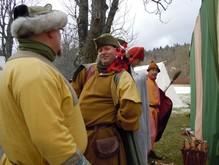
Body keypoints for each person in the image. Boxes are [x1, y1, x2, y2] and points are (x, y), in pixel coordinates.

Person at [0, 4, 89, 165]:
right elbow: (48, 135)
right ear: (50, 31)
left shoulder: (15, 64)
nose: (60, 37)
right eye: (59, 31)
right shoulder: (35, 71)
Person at [71, 33, 142, 165]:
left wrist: (117, 123)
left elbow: (131, 108)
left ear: (117, 50)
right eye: (100, 50)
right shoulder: (87, 71)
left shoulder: (121, 76)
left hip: (103, 139)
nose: (103, 52)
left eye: (107, 49)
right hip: (79, 136)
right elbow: (71, 95)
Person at [127, 47, 152, 165]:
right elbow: (131, 82)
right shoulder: (125, 70)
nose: (140, 62)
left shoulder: (131, 70)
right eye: (139, 59)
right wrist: (142, 78)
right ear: (133, 58)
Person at [147, 60, 164, 160]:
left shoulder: (154, 82)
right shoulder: (145, 81)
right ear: (148, 71)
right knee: (151, 133)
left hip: (155, 111)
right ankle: (146, 153)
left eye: (156, 71)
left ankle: (151, 151)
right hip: (148, 110)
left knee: (154, 132)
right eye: (152, 70)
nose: (154, 72)